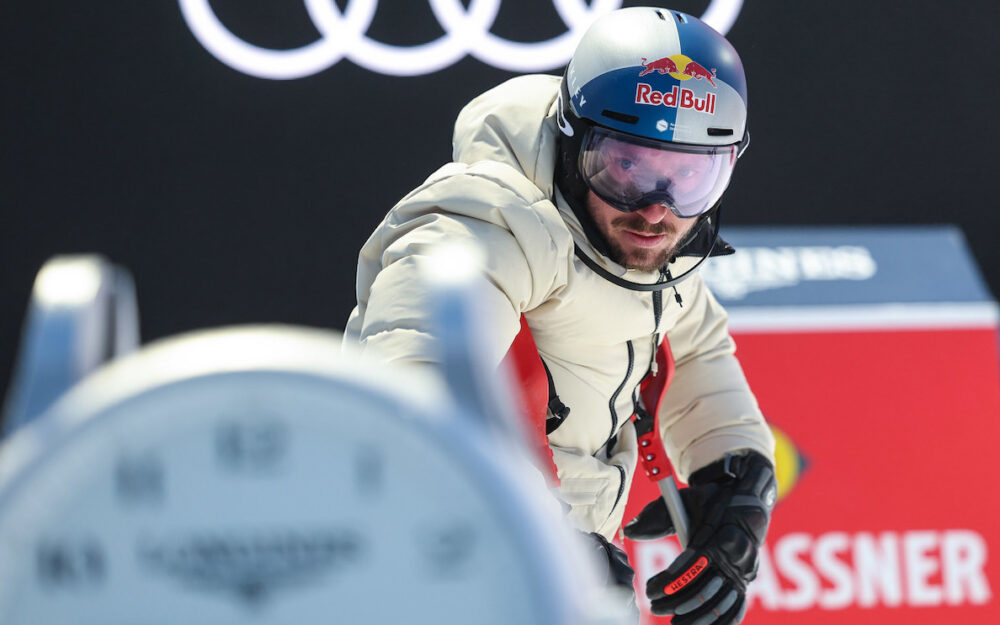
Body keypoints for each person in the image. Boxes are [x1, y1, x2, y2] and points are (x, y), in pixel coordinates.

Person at [344, 6, 777, 624]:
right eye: (627, 166)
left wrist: (736, 482)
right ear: (575, 140)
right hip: (446, 567)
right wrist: (542, 540)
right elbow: (407, 407)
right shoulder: (482, 226)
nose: (656, 210)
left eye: (689, 176)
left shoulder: (656, 243)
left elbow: (699, 344)